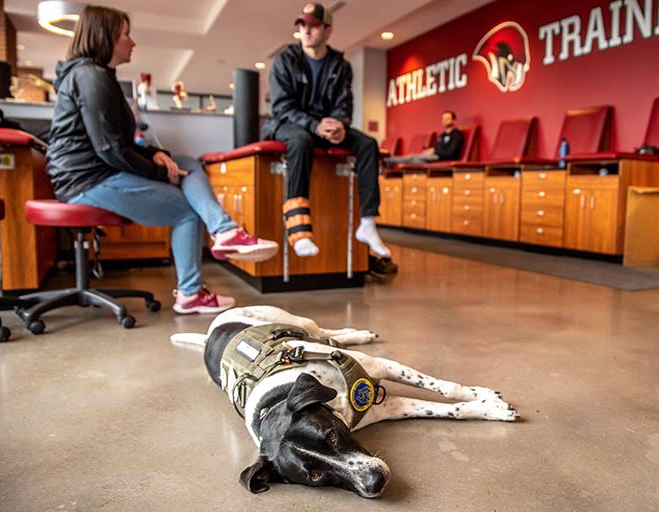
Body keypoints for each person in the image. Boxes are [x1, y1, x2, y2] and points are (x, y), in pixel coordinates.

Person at [46, 5, 278, 315]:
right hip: (86, 181)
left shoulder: (94, 75)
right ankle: (193, 290)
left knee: (187, 161)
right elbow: (110, 150)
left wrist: (159, 156)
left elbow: (118, 143)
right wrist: (158, 172)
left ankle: (224, 231)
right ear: (107, 37)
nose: (132, 41)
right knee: (187, 210)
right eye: (126, 34)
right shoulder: (91, 77)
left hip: (95, 173)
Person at [262, 3, 390, 260]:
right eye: (302, 25)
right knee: (300, 140)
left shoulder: (340, 65)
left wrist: (340, 125)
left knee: (368, 144)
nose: (305, 30)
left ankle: (367, 223)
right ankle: (298, 230)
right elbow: (282, 108)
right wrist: (315, 125)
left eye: (313, 25)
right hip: (290, 125)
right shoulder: (285, 61)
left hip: (325, 126)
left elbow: (344, 105)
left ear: (328, 31)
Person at [384, 111, 464, 165]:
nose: (445, 121)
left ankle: (388, 159)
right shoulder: (442, 135)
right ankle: (387, 161)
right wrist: (432, 149)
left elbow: (452, 154)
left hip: (440, 158)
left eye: (447, 118)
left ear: (453, 120)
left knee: (411, 157)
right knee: (413, 160)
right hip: (433, 157)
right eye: (443, 119)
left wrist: (436, 152)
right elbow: (437, 147)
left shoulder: (456, 135)